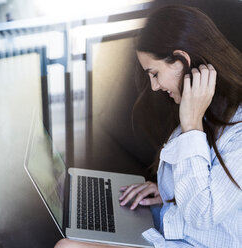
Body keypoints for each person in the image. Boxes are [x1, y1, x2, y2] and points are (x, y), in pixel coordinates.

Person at [55, 4, 242, 248]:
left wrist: (192, 125)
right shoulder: (208, 109)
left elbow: (202, 215)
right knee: (70, 202)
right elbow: (210, 184)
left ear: (181, 60)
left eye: (154, 73)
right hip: (174, 223)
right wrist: (167, 195)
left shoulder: (229, 129)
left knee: (68, 246)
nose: (154, 86)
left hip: (193, 242)